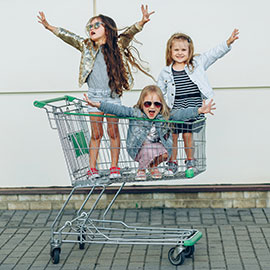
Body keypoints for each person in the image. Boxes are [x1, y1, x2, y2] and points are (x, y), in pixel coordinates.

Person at [37, 5, 155, 180]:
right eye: (90, 26)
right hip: (93, 96)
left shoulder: (117, 45)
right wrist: (50, 27)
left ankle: (114, 166)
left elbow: (130, 33)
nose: (91, 29)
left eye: (96, 25)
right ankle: (92, 168)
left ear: (107, 28)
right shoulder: (86, 46)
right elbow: (69, 37)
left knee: (113, 132)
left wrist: (141, 22)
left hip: (112, 96)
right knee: (96, 133)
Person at [83, 85, 216, 181]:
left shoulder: (165, 115)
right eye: (148, 104)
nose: (152, 107)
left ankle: (151, 166)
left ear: (161, 106)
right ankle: (141, 169)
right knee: (148, 149)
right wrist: (98, 105)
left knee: (166, 153)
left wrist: (199, 110)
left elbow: (181, 114)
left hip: (155, 147)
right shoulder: (135, 113)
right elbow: (117, 109)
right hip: (138, 147)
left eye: (156, 104)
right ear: (142, 104)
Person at [157, 29, 239, 176]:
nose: (180, 53)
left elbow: (212, 54)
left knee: (188, 135)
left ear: (190, 51)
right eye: (176, 49)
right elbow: (160, 91)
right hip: (175, 110)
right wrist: (161, 107)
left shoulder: (196, 64)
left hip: (193, 108)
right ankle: (172, 162)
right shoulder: (165, 72)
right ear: (170, 51)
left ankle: (190, 161)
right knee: (173, 136)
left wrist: (227, 43)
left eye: (183, 50)